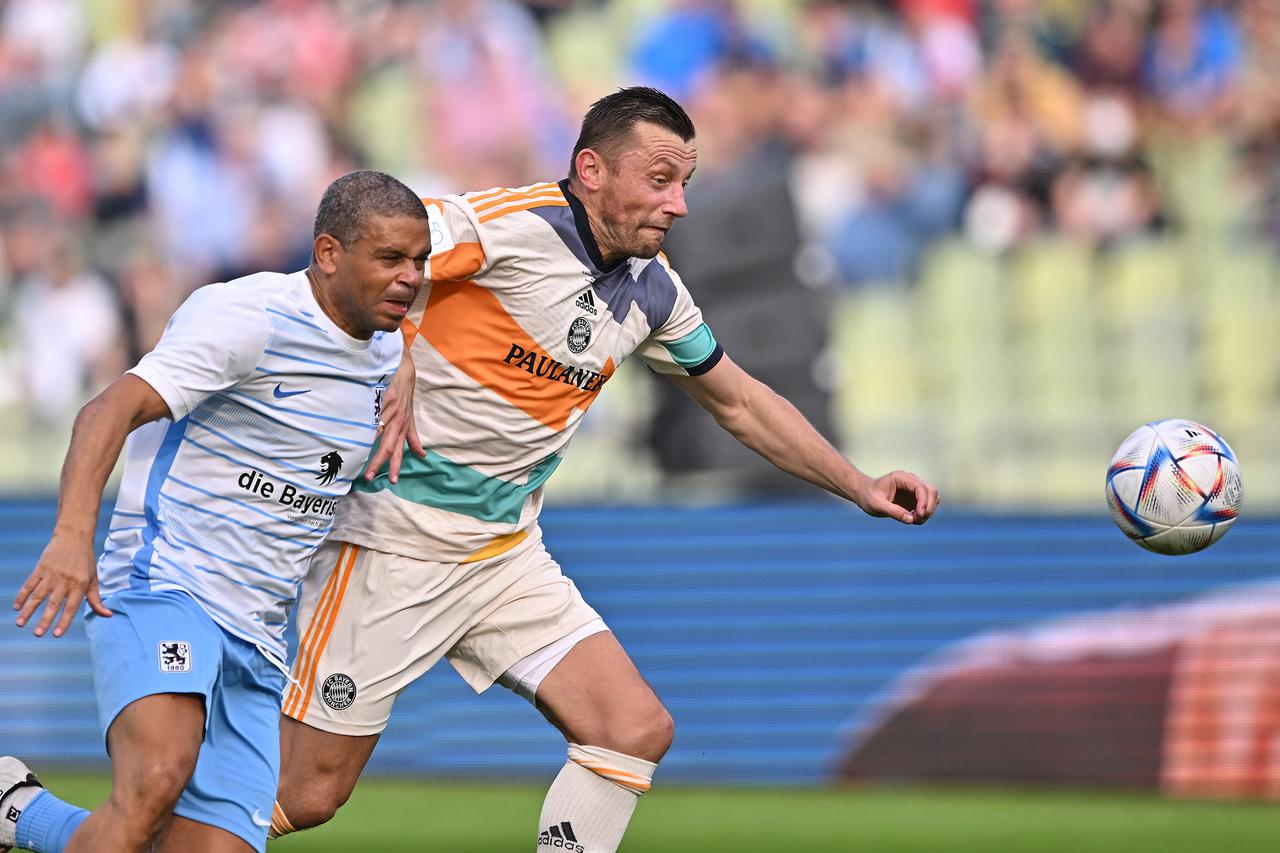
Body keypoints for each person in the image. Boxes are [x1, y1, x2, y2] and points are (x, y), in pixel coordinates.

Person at [269, 87, 941, 853]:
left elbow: (741, 402)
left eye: (684, 182)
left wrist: (859, 484)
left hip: (502, 555)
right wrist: (389, 349)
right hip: (391, 540)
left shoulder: (654, 293)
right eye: (660, 179)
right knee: (307, 793)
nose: (678, 203)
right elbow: (362, 256)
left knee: (631, 728)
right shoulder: (507, 226)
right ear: (591, 170)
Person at [0, 169, 431, 853]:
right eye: (390, 258)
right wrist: (72, 537)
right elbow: (107, 409)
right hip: (168, 583)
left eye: (419, 260)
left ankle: (20, 811)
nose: (410, 277)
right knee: (156, 778)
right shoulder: (248, 317)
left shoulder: (389, 348)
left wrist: (405, 359)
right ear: (327, 253)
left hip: (259, 634)